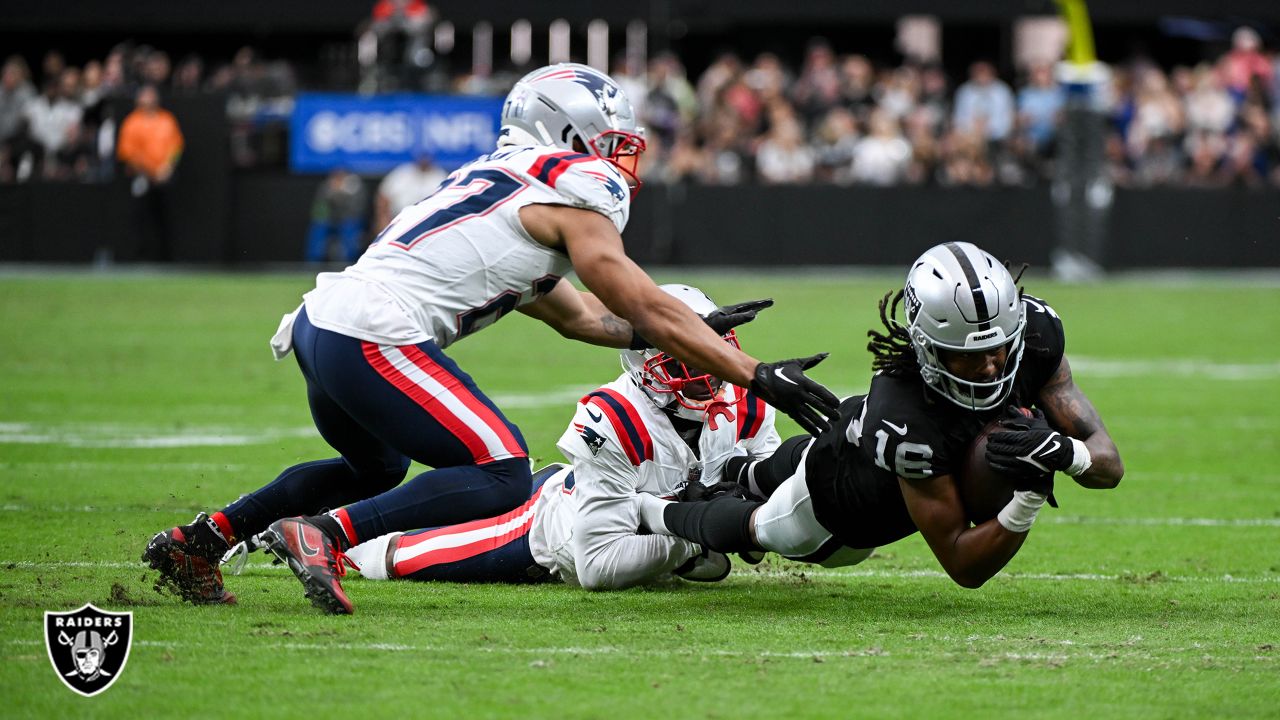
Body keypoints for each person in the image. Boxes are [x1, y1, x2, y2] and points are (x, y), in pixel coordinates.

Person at [143, 63, 837, 613]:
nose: (621, 159)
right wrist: (753, 373)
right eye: (611, 140)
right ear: (570, 132)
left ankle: (203, 540)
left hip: (323, 326)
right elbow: (641, 304)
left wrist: (695, 331)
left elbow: (587, 319)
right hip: (373, 330)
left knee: (373, 469)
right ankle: (324, 535)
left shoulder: (503, 184)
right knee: (503, 467)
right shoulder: (575, 183)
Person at [637, 242, 1124, 587]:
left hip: (854, 432)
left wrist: (1070, 455)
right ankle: (650, 512)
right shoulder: (905, 412)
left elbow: (1110, 464)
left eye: (999, 347)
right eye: (968, 355)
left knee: (764, 470)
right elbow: (963, 564)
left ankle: (735, 469)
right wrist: (1028, 497)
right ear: (928, 347)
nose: (991, 364)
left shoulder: (1035, 335)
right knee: (759, 528)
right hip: (841, 504)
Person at [341, 284, 781, 591]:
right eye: (687, 357)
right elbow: (594, 567)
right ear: (646, 362)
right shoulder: (616, 416)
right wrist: (700, 531)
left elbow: (766, 489)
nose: (707, 369)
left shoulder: (748, 400)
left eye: (713, 347)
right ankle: (315, 529)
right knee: (386, 556)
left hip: (606, 498)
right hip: (559, 530)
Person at [116, 84, 183, 261]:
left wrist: (167, 167)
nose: (149, 100)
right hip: (142, 177)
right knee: (140, 218)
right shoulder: (132, 122)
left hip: (164, 177)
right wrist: (150, 173)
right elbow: (128, 154)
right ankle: (140, 257)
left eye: (151, 96)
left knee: (165, 217)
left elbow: (176, 147)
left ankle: (166, 258)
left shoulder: (167, 119)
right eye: (145, 96)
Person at [304, 167, 369, 262]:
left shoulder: (355, 186)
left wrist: (340, 194)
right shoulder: (327, 186)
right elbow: (320, 207)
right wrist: (332, 193)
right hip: (330, 220)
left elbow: (357, 209)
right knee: (318, 227)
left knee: (350, 227)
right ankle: (313, 264)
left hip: (348, 220)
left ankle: (348, 263)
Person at [373, 153, 446, 232]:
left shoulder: (440, 176)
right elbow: (383, 199)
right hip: (398, 222)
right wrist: (384, 225)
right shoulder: (402, 173)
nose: (424, 161)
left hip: (429, 225)